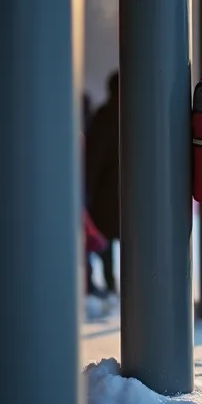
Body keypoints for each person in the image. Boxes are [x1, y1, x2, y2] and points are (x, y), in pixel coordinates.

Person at [84, 70, 121, 296]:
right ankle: (124, 282)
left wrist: (89, 187)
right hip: (129, 192)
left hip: (106, 191)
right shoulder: (137, 116)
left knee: (106, 238)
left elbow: (94, 158)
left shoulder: (103, 116)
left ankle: (109, 282)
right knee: (130, 239)